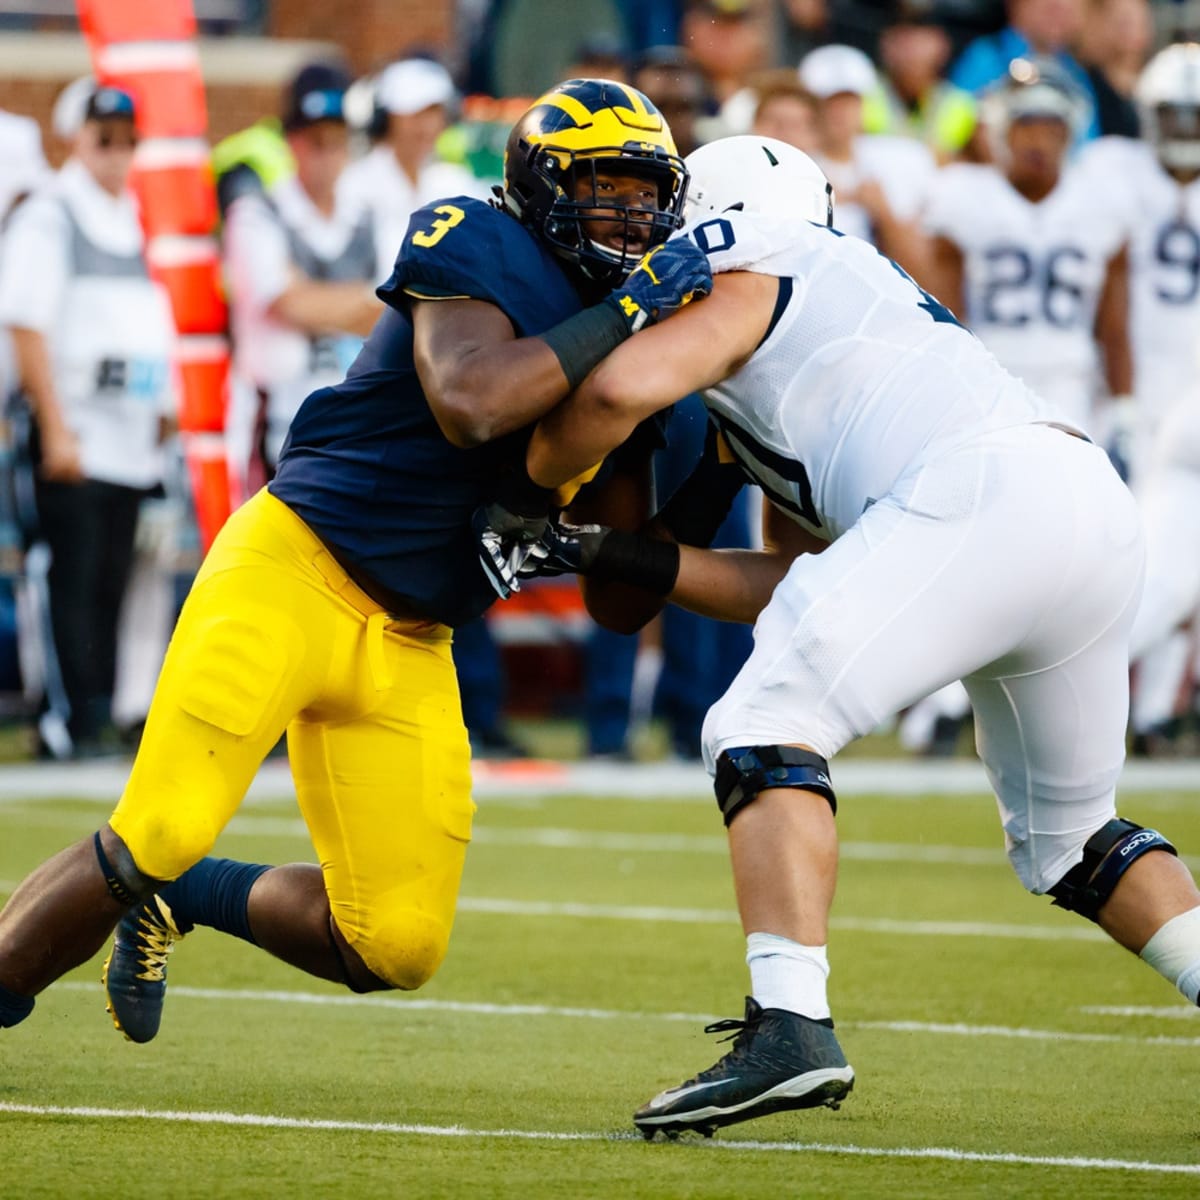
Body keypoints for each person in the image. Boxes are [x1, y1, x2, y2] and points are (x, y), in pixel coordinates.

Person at [477, 134, 1200, 1139]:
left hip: (986, 497)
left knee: (762, 720)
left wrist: (517, 500)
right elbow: (799, 582)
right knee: (1074, 839)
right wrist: (615, 553)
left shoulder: (755, 251)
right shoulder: (828, 331)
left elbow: (610, 392)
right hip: (1074, 507)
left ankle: (791, 1027)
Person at [0, 79, 711, 1042]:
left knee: (394, 944)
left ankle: (187, 897)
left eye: (645, 193)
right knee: (159, 825)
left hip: (413, 640)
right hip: (296, 567)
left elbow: (618, 606)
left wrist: (689, 456)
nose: (630, 214)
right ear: (542, 186)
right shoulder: (477, 235)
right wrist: (623, 318)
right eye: (607, 185)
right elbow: (470, 398)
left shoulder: (640, 339)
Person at [0, 79, 177, 760]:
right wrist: (57, 424)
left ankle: (100, 710)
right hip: (77, 432)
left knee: (109, 579)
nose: (117, 153)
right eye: (104, 138)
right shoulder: (52, 213)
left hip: (131, 437)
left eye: (127, 141)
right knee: (68, 578)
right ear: (77, 137)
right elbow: (27, 322)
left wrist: (164, 414)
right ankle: (69, 718)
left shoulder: (130, 216)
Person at [925, 59, 1131, 447]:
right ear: (1003, 131)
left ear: (1071, 133)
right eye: (1027, 126)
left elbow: (1113, 327)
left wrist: (1124, 407)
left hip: (1073, 381)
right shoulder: (962, 196)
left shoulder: (1102, 203)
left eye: (1052, 129)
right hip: (989, 374)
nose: (1039, 141)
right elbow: (944, 315)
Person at [222, 62, 380, 496]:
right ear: (292, 142)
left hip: (354, 429)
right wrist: (356, 302)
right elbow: (288, 302)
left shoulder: (364, 215)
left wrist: (312, 296)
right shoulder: (257, 213)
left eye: (336, 142)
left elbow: (388, 308)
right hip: (277, 426)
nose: (327, 156)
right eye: (315, 143)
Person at [338, 57, 486, 283]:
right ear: (386, 119)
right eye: (415, 113)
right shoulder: (355, 185)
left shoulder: (454, 181)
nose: (426, 126)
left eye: (434, 112)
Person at [799, 43, 936, 279]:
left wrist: (884, 214)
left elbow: (923, 273)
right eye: (829, 102)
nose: (839, 112)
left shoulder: (903, 157)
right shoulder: (795, 166)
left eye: (849, 100)